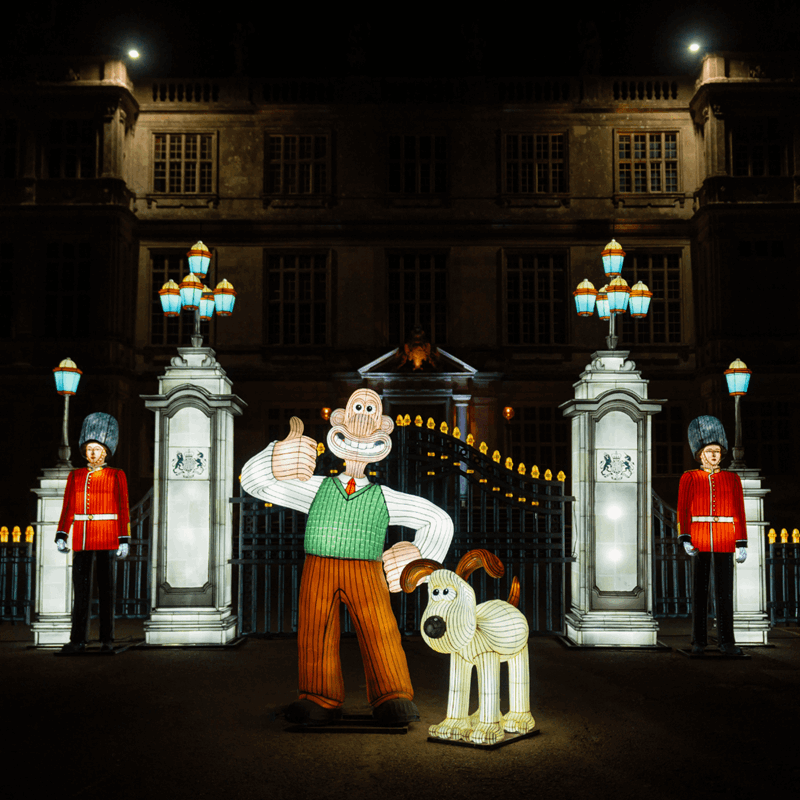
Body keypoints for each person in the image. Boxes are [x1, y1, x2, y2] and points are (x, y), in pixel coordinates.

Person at [241, 389, 453, 725]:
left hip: (367, 572)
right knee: (316, 630)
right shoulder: (315, 487)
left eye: (370, 412)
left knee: (380, 629)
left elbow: (438, 520)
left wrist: (418, 559)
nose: (361, 425)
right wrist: (274, 456)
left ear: (383, 435)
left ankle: (393, 694)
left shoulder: (384, 496)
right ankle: (318, 697)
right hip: (319, 569)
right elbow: (256, 484)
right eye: (356, 410)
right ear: (338, 425)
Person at [55, 413, 130, 654]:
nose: (93, 454)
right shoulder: (75, 476)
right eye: (89, 449)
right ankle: (78, 640)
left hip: (108, 537)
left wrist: (124, 539)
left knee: (107, 592)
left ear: (106, 452)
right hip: (83, 539)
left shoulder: (116, 475)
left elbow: (122, 508)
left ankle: (107, 640)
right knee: (81, 592)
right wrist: (62, 534)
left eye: (97, 449)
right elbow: (68, 507)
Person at [677, 415, 747, 656]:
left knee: (725, 594)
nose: (715, 455)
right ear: (700, 454)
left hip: (725, 540)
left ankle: (727, 642)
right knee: (700, 593)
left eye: (717, 450)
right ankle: (699, 641)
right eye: (710, 450)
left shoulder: (732, 479)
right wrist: (685, 537)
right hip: (699, 539)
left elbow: (739, 511)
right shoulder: (689, 477)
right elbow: (684, 509)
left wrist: (741, 542)